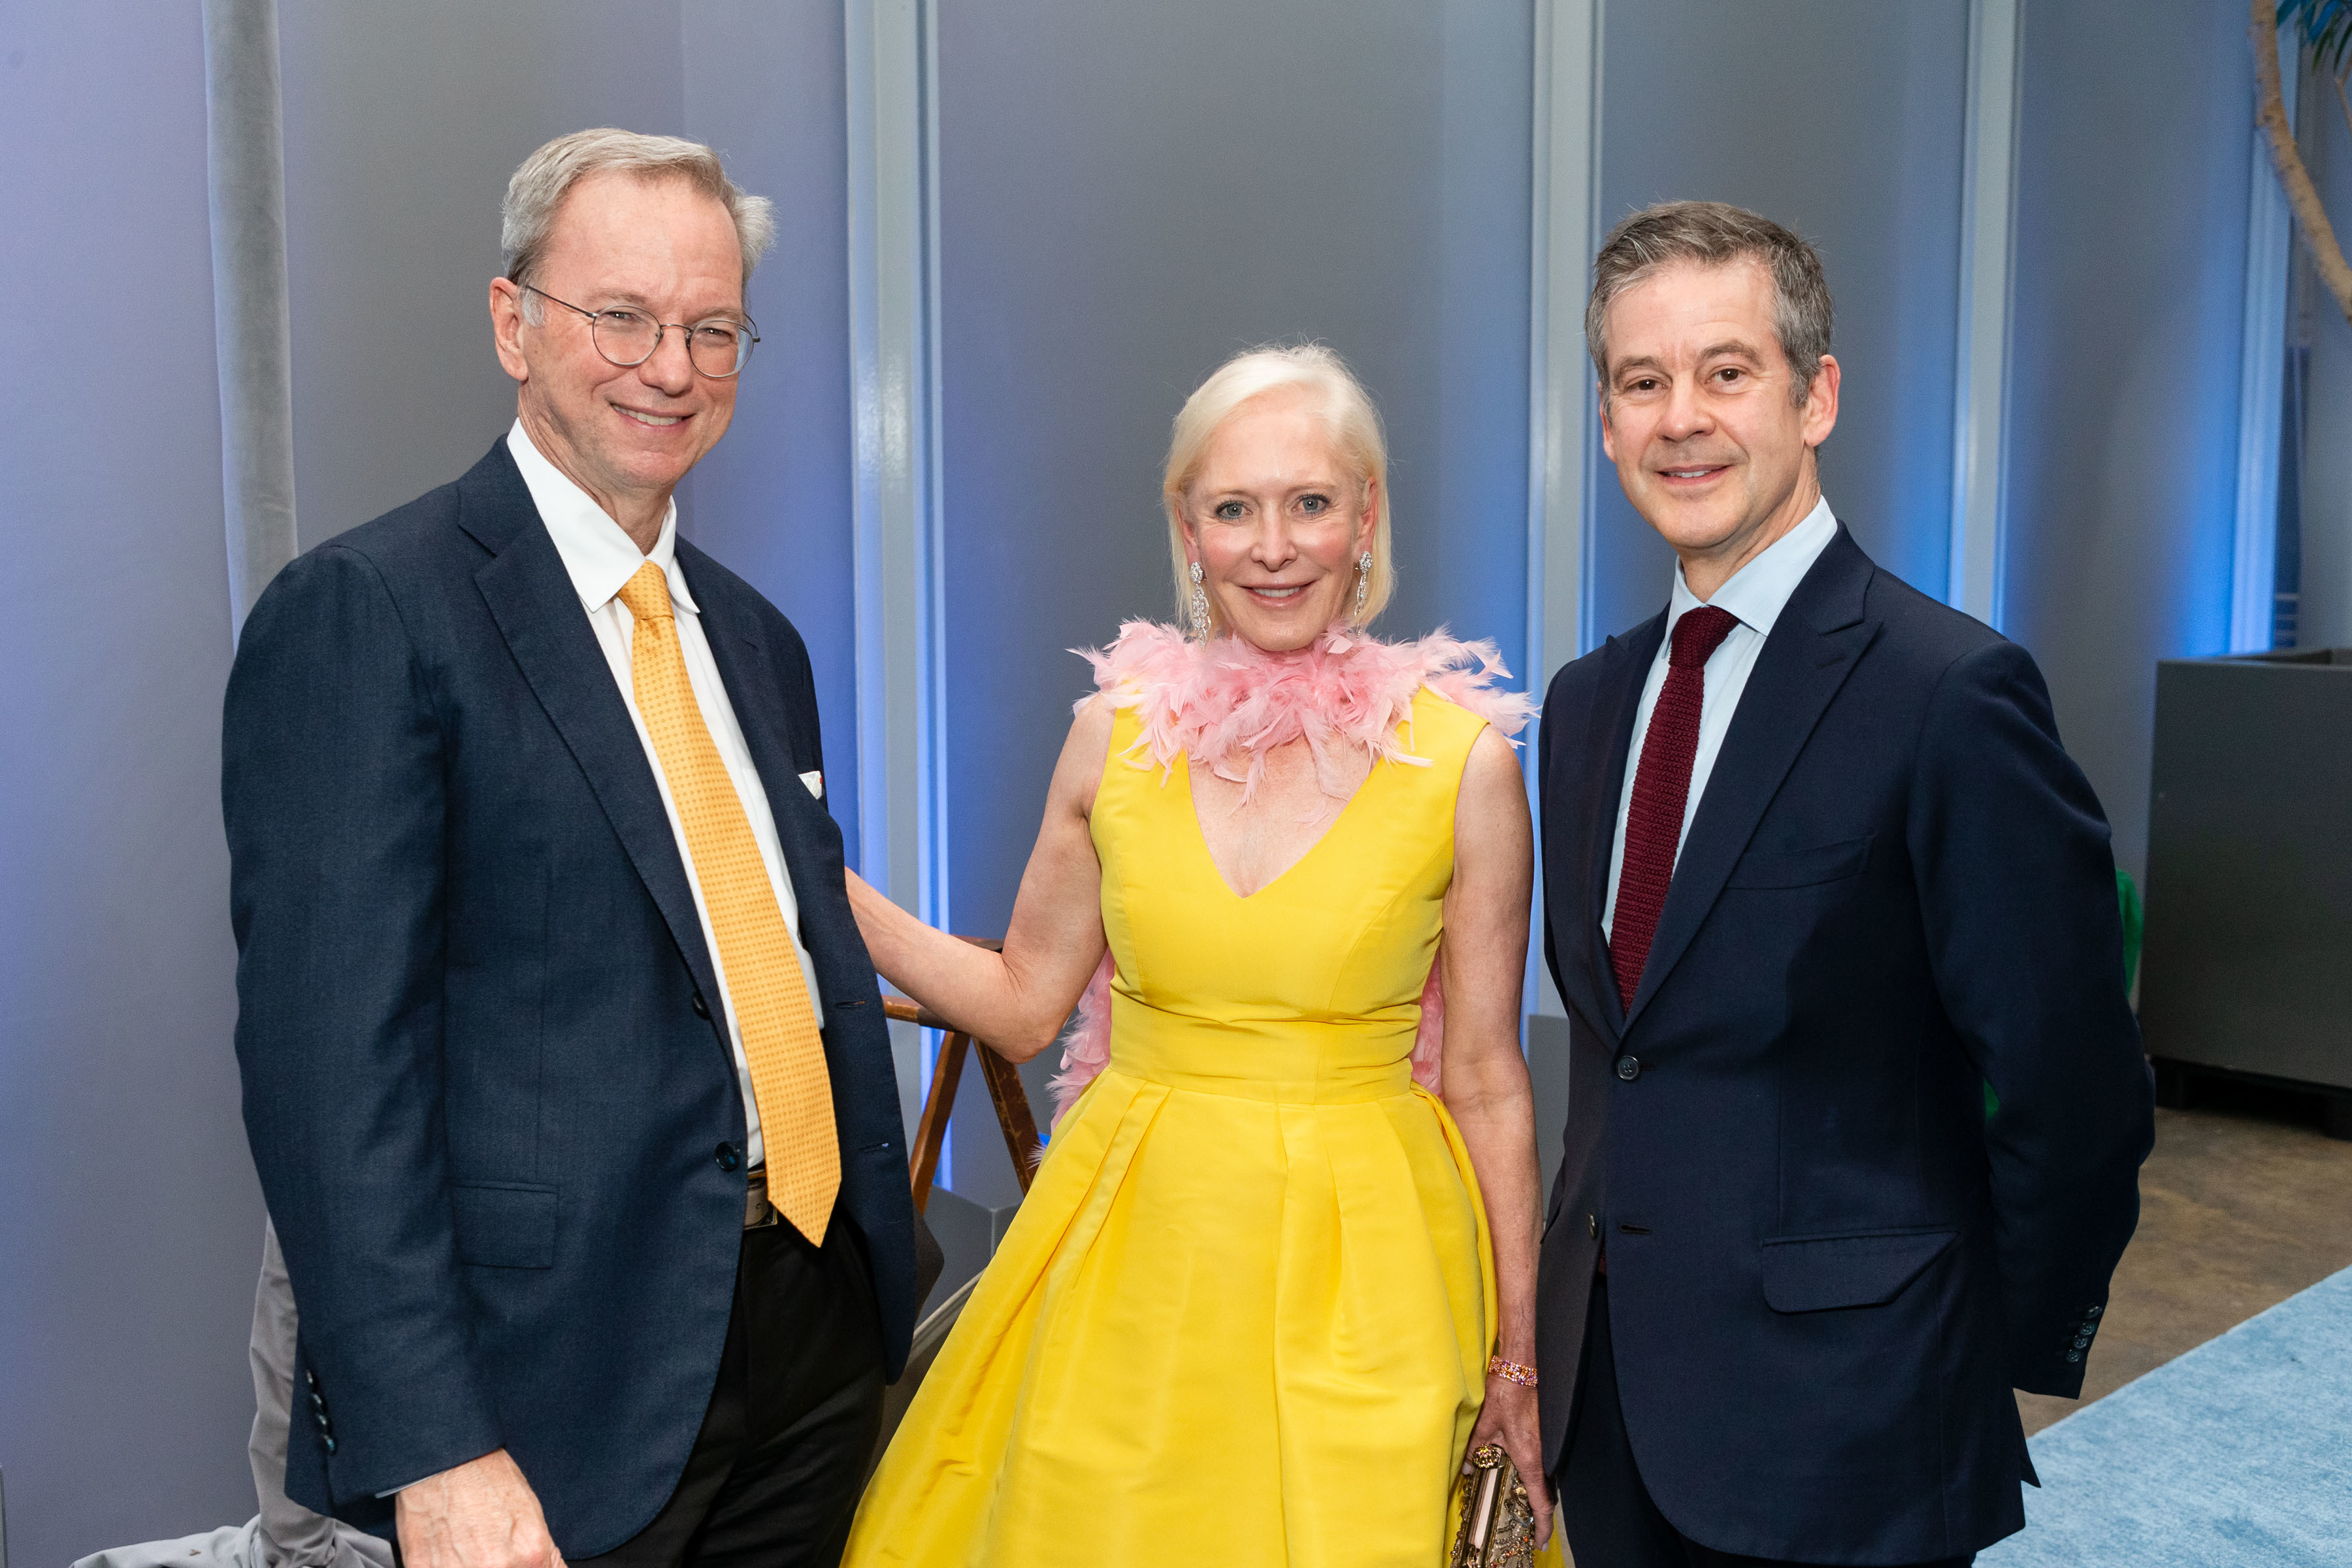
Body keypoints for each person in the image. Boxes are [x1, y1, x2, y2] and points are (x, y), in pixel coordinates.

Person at [223, 129, 919, 1567]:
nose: (671, 366)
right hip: (552, 1383)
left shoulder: (760, 639)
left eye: (711, 327)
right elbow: (328, 1075)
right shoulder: (371, 612)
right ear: (513, 323)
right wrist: (433, 1444)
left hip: (810, 1345)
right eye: (623, 317)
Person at [840, 344, 1549, 1565]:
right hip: (1135, 1246)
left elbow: (1486, 1074)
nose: (1274, 546)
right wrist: (817, 883)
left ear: (1366, 518)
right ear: (1190, 530)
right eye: (1234, 509)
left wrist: (1517, 1363)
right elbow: (1020, 1007)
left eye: (1311, 503)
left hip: (1371, 1264)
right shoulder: (1109, 742)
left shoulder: (1465, 766)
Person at [1532, 200, 2155, 1567]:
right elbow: (1618, 1064)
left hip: (1853, 1425)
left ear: (1817, 397)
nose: (1680, 417)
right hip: (1618, 1409)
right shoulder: (1586, 706)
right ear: (1604, 425)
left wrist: (1966, 1354)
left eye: (1726, 371)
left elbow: (2074, 1084)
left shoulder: (1951, 695)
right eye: (1642, 383)